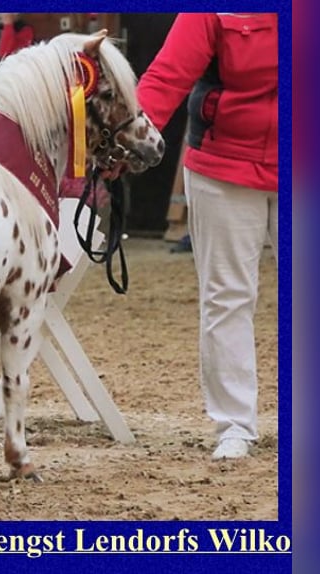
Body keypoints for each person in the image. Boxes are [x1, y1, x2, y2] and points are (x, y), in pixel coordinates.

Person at [136, 13, 278, 460]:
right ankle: (234, 425)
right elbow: (168, 74)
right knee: (227, 296)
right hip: (224, 165)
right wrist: (129, 138)